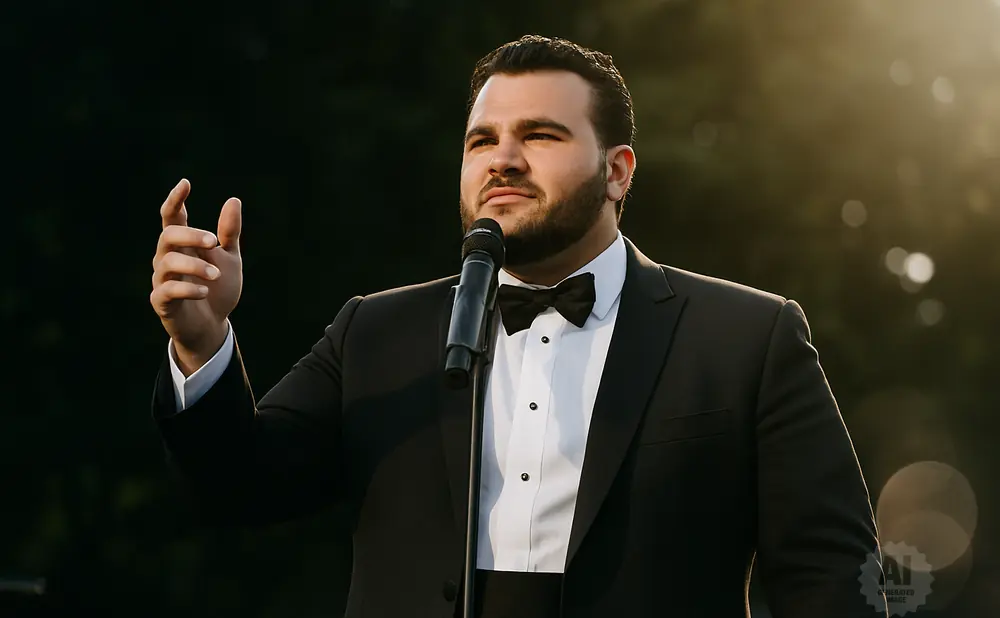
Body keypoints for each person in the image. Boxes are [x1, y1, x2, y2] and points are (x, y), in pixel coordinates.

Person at [149, 35, 887, 618]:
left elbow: (828, 575)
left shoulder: (747, 338)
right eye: (481, 141)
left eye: (540, 135)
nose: (502, 159)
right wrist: (199, 344)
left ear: (618, 171)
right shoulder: (374, 331)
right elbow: (239, 487)